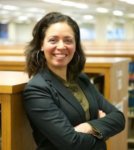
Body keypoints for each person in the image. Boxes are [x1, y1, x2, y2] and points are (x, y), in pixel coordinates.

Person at [23, 12, 125, 150]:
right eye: (53, 40)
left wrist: (89, 126)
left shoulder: (81, 79)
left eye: (68, 40)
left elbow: (118, 118)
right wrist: (102, 132)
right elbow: (72, 143)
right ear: (41, 45)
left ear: (75, 45)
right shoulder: (37, 89)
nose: (61, 46)